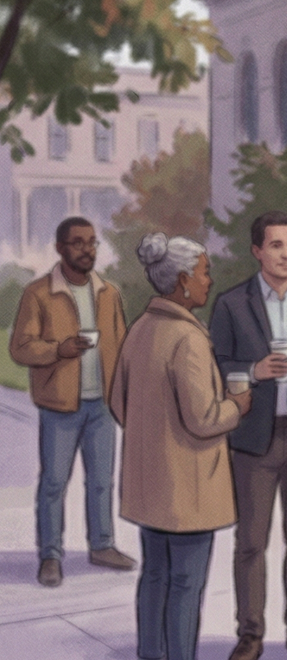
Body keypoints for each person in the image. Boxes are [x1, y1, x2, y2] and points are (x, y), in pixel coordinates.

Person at [110, 233, 253, 660]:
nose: (210, 282)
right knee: (186, 584)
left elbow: (119, 402)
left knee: (154, 576)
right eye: (205, 273)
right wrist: (236, 406)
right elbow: (204, 418)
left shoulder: (139, 330)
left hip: (149, 486)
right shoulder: (187, 339)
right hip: (188, 491)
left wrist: (151, 435)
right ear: (184, 281)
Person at [208, 211, 287, 660]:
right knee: (251, 542)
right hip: (253, 439)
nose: (286, 254)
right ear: (257, 252)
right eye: (277, 245)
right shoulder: (231, 304)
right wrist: (253, 371)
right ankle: (251, 633)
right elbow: (216, 365)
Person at [8, 216, 134, 587]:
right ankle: (50, 555)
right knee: (53, 483)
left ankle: (102, 545)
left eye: (92, 242)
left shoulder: (108, 293)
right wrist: (58, 350)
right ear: (60, 248)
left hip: (102, 406)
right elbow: (21, 347)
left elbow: (123, 346)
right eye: (78, 243)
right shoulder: (38, 293)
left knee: (101, 481)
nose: (87, 249)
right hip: (60, 405)